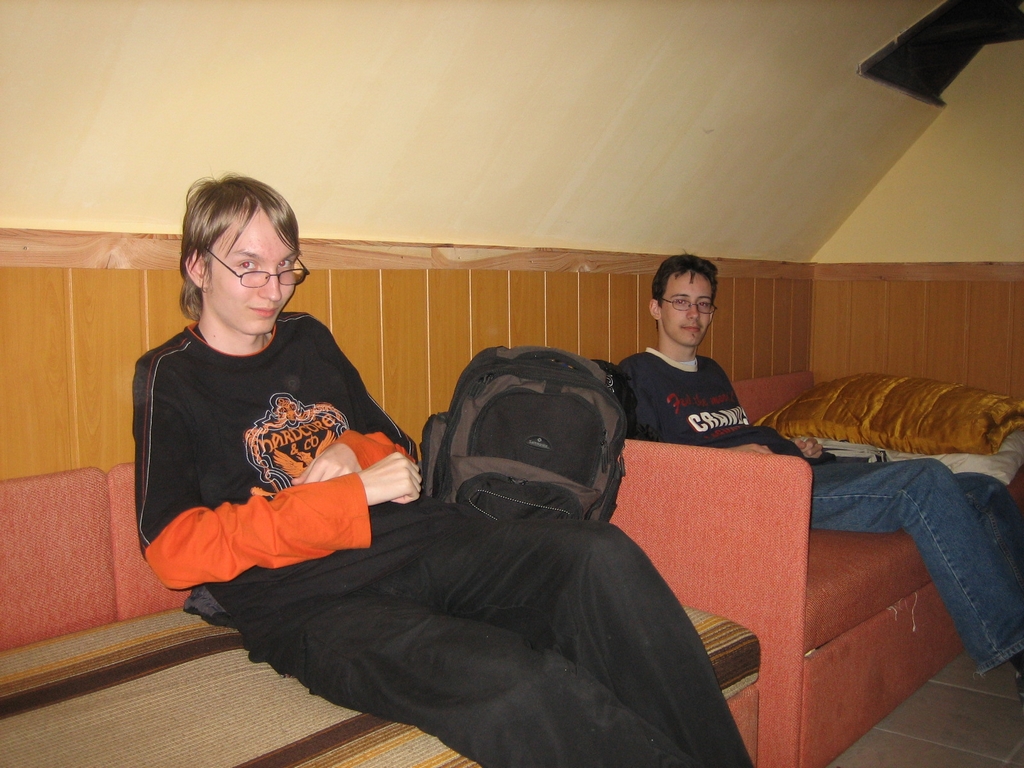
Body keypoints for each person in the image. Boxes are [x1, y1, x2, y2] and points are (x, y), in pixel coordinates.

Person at [132, 176, 754, 768]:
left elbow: (398, 447)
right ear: (198, 266)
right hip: (312, 604)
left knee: (599, 554)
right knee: (515, 682)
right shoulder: (171, 376)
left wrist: (351, 450)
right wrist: (349, 496)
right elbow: (172, 551)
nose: (273, 289)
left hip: (426, 543)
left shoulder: (307, 339)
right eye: (248, 266)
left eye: (286, 266)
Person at [620, 253, 1024, 704]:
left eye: (703, 304)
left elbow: (737, 431)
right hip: (766, 492)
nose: (693, 314)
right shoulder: (638, 374)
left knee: (983, 488)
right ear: (656, 307)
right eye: (680, 301)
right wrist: (736, 460)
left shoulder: (712, 371)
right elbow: (652, 466)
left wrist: (795, 447)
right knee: (924, 479)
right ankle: (1014, 644)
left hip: (801, 468)